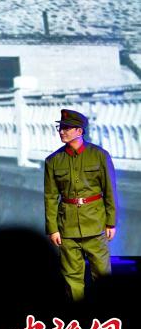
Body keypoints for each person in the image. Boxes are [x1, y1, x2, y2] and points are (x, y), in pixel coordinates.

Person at [44, 108, 117, 301]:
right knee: (72, 278)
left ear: (80, 131)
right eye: (60, 128)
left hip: (95, 223)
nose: (62, 131)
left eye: (67, 128)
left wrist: (111, 222)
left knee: (102, 275)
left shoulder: (99, 155)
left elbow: (110, 190)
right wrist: (53, 229)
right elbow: (50, 197)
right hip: (67, 227)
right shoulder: (53, 161)